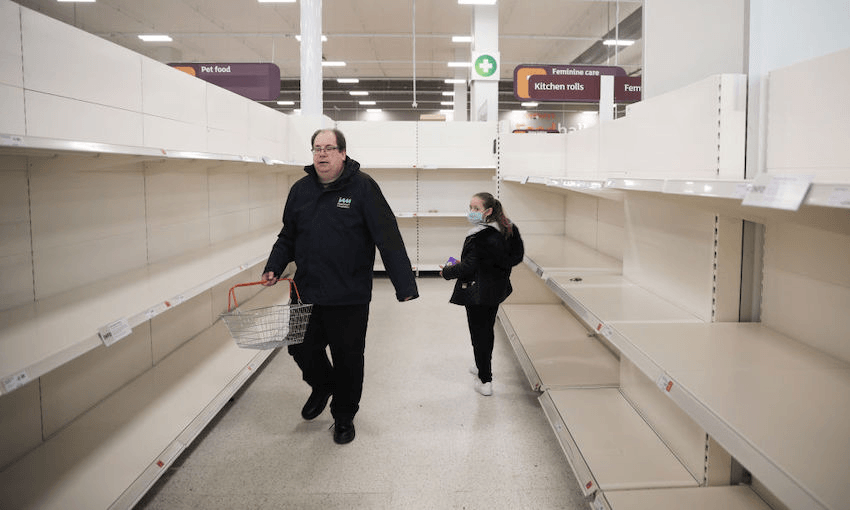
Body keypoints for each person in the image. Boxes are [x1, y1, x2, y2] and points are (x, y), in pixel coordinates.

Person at [261, 128, 419, 444]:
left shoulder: (363, 188)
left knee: (348, 358)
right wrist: (274, 264)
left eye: (329, 148)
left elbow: (387, 236)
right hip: (305, 290)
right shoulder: (300, 190)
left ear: (342, 153)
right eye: (317, 148)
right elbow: (287, 236)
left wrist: (404, 285)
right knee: (300, 347)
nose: (322, 154)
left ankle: (344, 416)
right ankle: (323, 385)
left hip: (349, 294)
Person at [440, 192, 522, 396]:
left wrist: (447, 272)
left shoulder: (480, 236)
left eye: (476, 208)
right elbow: (512, 258)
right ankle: (480, 364)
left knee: (480, 333)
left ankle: (485, 380)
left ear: (489, 211)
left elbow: (468, 267)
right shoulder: (506, 229)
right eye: (470, 207)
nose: (471, 212)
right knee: (486, 329)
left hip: (478, 292)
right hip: (495, 289)